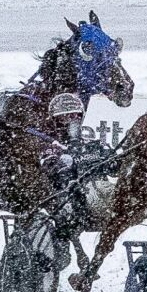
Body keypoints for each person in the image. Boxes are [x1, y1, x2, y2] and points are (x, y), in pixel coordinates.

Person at [38, 93, 116, 231]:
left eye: (75, 116)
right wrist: (64, 163)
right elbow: (51, 174)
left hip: (103, 199)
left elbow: (115, 170)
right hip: (71, 203)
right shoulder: (50, 148)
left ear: (81, 117)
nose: (71, 121)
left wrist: (114, 160)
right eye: (64, 117)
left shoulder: (95, 145)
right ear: (55, 120)